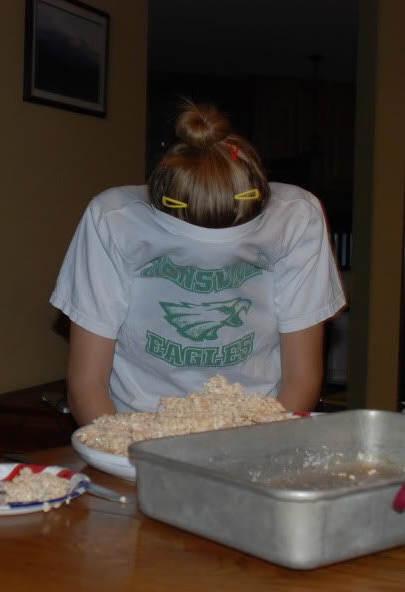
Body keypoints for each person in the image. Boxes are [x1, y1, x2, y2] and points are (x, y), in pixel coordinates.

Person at [50, 101, 346, 426]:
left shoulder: (296, 220)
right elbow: (87, 385)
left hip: (257, 428)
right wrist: (125, 449)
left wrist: (258, 447)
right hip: (137, 428)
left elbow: (301, 378)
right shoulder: (113, 221)